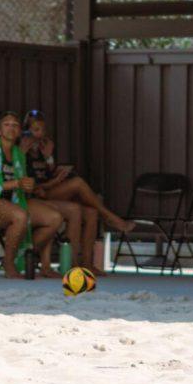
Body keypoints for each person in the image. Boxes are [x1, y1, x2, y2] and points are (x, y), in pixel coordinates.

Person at [20, 109, 135, 268]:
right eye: (36, 130)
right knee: (78, 183)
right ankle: (110, 217)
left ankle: (86, 264)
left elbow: (47, 174)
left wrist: (50, 159)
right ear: (26, 131)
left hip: (48, 191)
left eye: (43, 130)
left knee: (91, 213)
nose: (40, 134)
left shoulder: (42, 149)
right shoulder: (20, 151)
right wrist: (54, 181)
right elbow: (30, 186)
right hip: (38, 196)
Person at [0, 111, 65, 279]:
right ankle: (9, 264)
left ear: (20, 130)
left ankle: (27, 256)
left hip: (14, 199)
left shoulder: (18, 153)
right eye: (7, 124)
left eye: (15, 125)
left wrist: (28, 186)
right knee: (20, 216)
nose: (11, 128)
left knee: (54, 217)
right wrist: (17, 184)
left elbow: (21, 184)